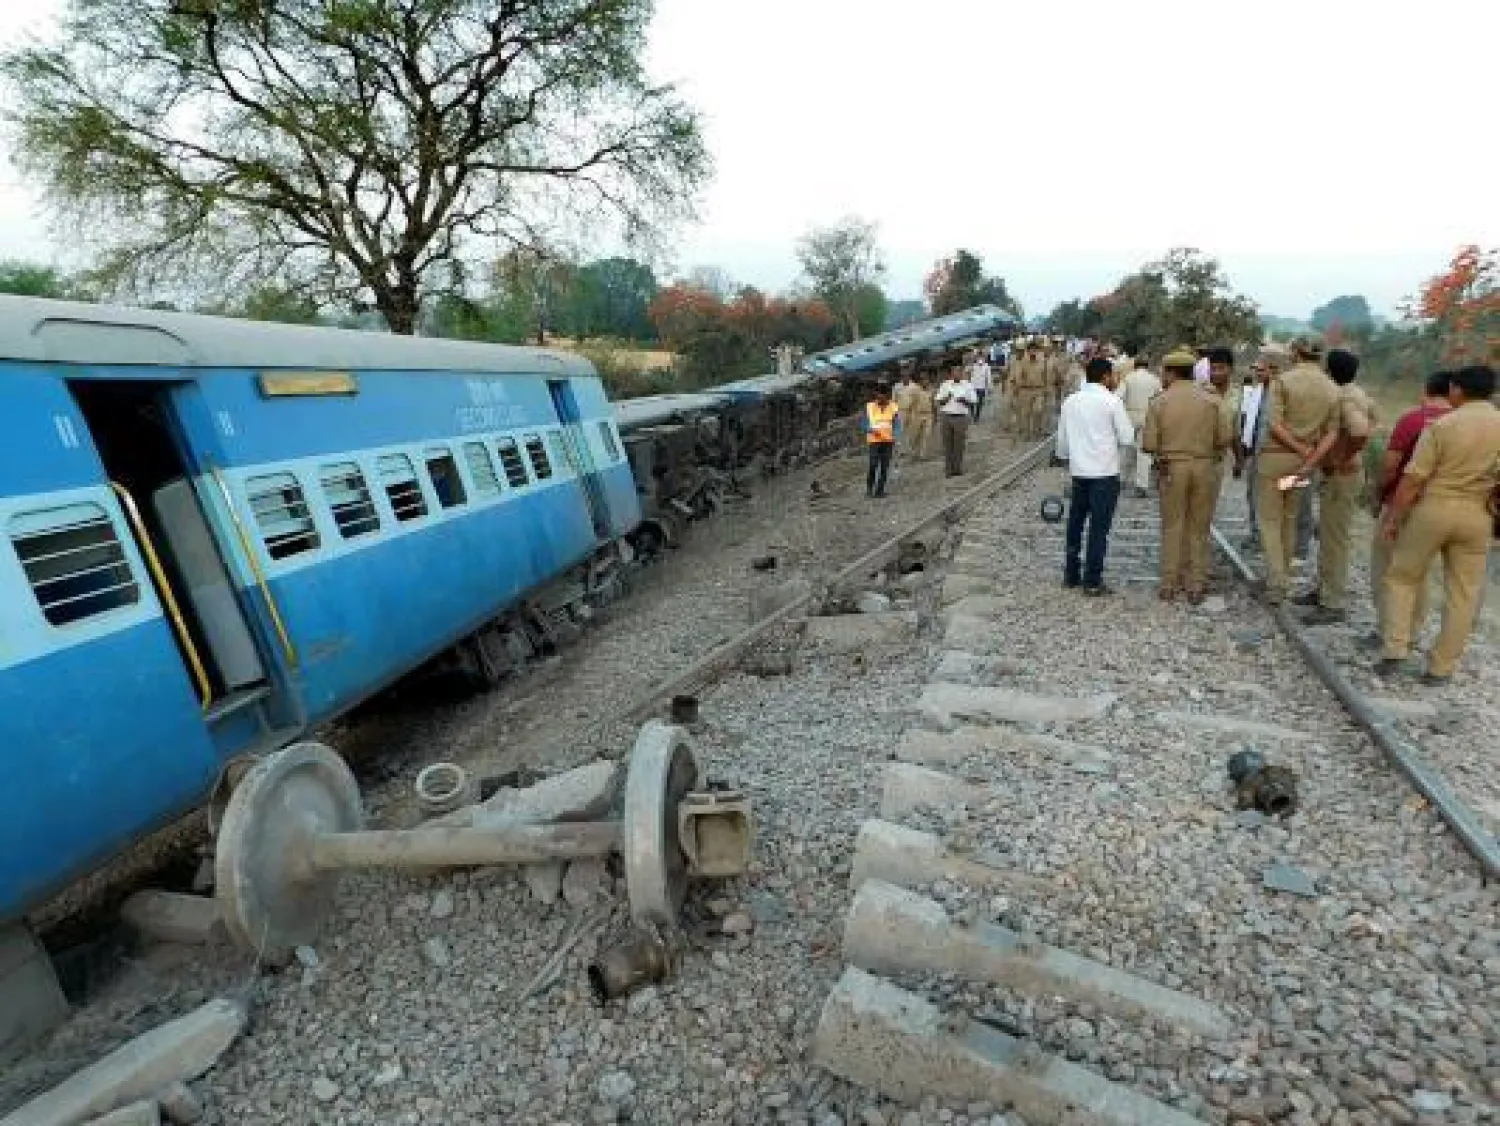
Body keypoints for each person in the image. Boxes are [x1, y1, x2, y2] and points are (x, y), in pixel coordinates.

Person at [1376, 364, 1499, 683]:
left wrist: (1394, 518)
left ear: (1458, 390)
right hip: (1478, 513)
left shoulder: (1444, 426)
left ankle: (1396, 651)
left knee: (1403, 576)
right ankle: (1441, 667)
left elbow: (1414, 478)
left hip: (1434, 508)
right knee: (1463, 593)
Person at [1366, 370, 1452, 648]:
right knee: (1419, 572)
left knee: (1385, 568)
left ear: (1426, 389)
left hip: (1400, 502)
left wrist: (1379, 494)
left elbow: (1391, 466)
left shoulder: (1412, 419)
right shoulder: (1458, 423)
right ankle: (1412, 630)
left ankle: (1387, 630)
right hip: (1438, 509)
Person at [1141, 348, 1232, 603]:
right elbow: (1225, 437)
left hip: (1171, 468)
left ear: (1170, 372)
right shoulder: (1212, 400)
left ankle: (1169, 583)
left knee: (1172, 525)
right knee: (1199, 527)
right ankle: (1195, 583)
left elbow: (1148, 444)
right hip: (1204, 467)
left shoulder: (1160, 401)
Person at [1254, 337, 1340, 604]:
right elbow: (1332, 432)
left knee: (1269, 520)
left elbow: (1274, 425)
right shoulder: (1332, 388)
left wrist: (1300, 450)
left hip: (1275, 460)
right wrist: (1311, 458)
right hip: (1302, 468)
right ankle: (1285, 577)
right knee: (1289, 518)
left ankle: (1276, 582)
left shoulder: (1283, 381)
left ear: (1295, 353)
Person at [1295, 348, 1375, 624]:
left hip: (1343, 476)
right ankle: (1323, 590)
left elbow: (1360, 431)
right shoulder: (1357, 393)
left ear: (1329, 371)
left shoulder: (1346, 398)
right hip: (1342, 476)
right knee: (1328, 535)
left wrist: (1341, 458)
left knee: (1335, 540)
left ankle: (1333, 602)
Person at [1056, 356, 1135, 595]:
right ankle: (1092, 580)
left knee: (1075, 525)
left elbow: (1062, 442)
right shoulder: (1112, 402)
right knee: (1099, 529)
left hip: (1079, 473)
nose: (1114, 379)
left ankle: (1071, 575)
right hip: (1105, 474)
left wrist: (1070, 457)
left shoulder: (1071, 402)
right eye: (1112, 375)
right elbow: (1127, 438)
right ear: (1105, 377)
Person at [1117, 353, 1162, 497]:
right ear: (1147, 366)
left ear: (1135, 365)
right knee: (1144, 452)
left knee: (1126, 448)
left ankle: (1121, 479)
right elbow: (1160, 398)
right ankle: (1141, 485)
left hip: (1129, 415)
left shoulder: (1128, 378)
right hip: (1147, 416)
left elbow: (1119, 396)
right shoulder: (1155, 380)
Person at [1238, 359, 1272, 546]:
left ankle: (1266, 535)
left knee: (1270, 494)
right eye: (1256, 370)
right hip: (1255, 451)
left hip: (1272, 453)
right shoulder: (1256, 391)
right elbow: (1247, 420)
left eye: (1262, 370)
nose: (1258, 373)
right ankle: (1256, 532)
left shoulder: (1279, 393)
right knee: (1252, 493)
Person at [934, 365, 977, 476]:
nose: (956, 374)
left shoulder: (967, 385)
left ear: (962, 373)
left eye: (959, 371)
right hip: (946, 417)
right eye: (954, 372)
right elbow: (939, 401)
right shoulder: (945, 385)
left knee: (959, 444)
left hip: (961, 418)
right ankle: (948, 469)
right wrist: (947, 398)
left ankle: (957, 468)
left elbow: (973, 401)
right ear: (951, 373)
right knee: (947, 444)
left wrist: (963, 400)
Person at [862, 382, 901, 498]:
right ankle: (869, 489)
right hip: (874, 440)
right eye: (877, 395)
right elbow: (864, 424)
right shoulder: (869, 406)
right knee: (873, 464)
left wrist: (896, 436)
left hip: (888, 441)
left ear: (887, 395)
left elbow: (897, 423)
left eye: (881, 395)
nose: (879, 398)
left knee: (885, 466)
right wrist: (871, 430)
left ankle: (880, 490)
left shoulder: (893, 407)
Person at [905, 372, 936, 459]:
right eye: (922, 379)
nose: (925, 381)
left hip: (929, 415)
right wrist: (909, 415)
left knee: (926, 435)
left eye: (926, 379)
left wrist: (935, 417)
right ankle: (913, 453)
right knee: (915, 435)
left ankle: (923, 454)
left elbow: (933, 404)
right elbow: (910, 404)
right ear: (919, 381)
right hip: (917, 415)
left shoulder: (932, 390)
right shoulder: (915, 390)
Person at [969, 353, 993, 421]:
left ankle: (977, 416)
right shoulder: (973, 366)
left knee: (980, 402)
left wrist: (989, 388)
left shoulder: (987, 367)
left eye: (982, 358)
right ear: (976, 358)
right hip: (973, 387)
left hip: (981, 387)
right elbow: (968, 374)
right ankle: (972, 414)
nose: (980, 360)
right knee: (972, 402)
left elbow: (988, 378)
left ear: (984, 359)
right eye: (978, 358)